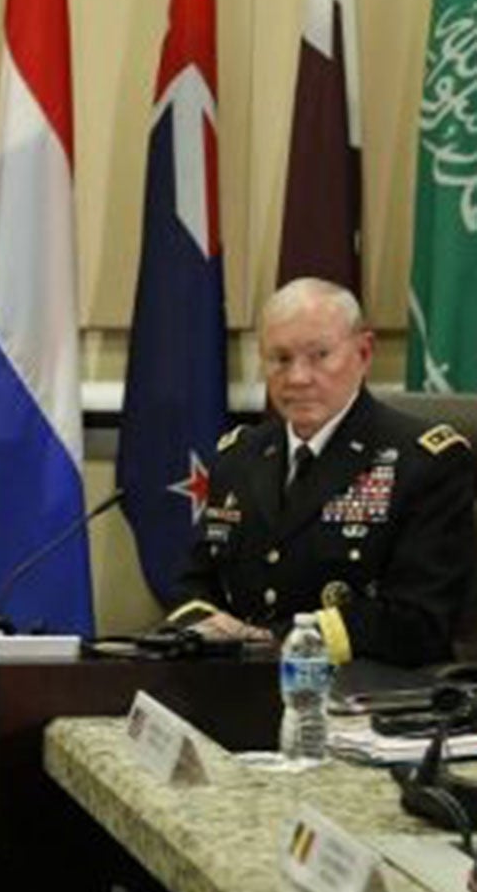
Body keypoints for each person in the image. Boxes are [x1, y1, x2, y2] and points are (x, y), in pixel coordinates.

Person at [168, 277, 477, 667]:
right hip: (240, 689)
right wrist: (204, 624)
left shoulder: (425, 462)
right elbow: (195, 579)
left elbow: (420, 620)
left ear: (364, 353)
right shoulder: (240, 455)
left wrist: (281, 640)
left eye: (319, 356)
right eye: (280, 359)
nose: (297, 377)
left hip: (366, 696)